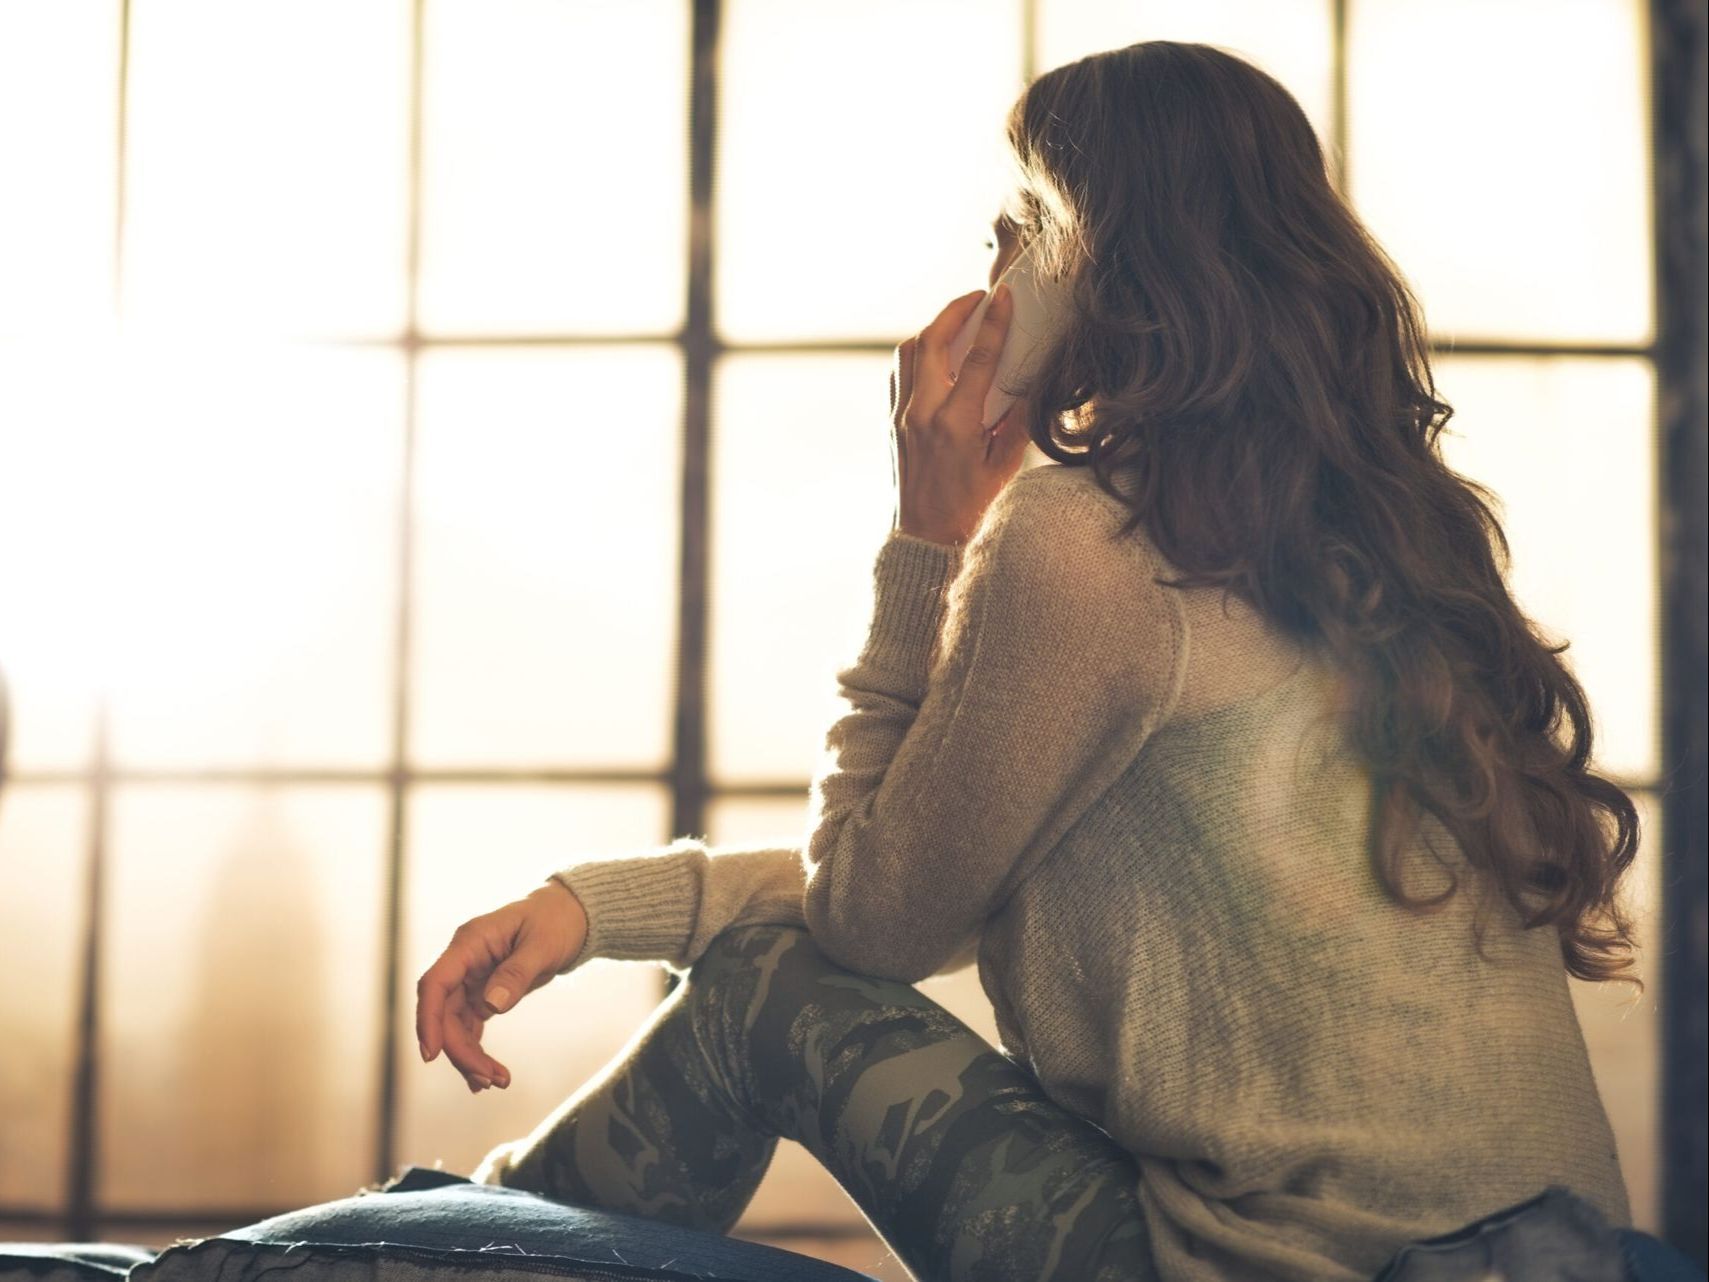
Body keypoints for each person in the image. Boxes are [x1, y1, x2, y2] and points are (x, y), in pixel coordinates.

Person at [412, 40, 1638, 1282]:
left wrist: (926, 538)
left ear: (1105, 263)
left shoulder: (1079, 542)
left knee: (757, 986)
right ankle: (461, 1236)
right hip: (1556, 1254)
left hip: (1288, 1268)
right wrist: (592, 909)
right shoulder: (1364, 536)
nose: (987, 273)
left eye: (1014, 230)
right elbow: (942, 863)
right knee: (772, 967)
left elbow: (871, 917)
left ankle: (445, 1258)